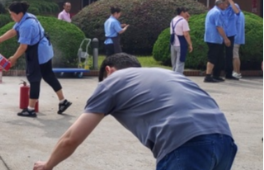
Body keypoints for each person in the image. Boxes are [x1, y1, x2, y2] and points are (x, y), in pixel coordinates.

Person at [33, 53, 237, 170]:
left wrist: (48, 165)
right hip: (224, 141)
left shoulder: (111, 81)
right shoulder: (166, 74)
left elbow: (71, 138)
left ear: (108, 70)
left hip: (185, 145)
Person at [0, 1, 72, 117]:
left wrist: (13, 58)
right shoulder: (27, 17)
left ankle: (31, 109)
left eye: (12, 14)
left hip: (38, 52)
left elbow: (23, 46)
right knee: (48, 75)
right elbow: (13, 31)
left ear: (19, 13)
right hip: (45, 49)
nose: (11, 16)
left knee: (34, 78)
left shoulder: (27, 25)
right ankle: (63, 101)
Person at [204, 0, 231, 83]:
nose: (226, 6)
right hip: (213, 39)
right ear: (220, 4)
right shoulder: (217, 12)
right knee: (213, 57)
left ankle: (216, 75)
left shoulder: (213, 11)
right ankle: (208, 76)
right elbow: (219, 27)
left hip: (215, 39)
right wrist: (226, 38)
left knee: (219, 58)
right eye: (225, 4)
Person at [220, 0, 242, 80]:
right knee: (220, 53)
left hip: (230, 34)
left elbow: (237, 12)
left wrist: (230, 1)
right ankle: (218, 72)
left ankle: (228, 73)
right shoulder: (220, 7)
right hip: (221, 33)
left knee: (230, 54)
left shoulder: (233, 6)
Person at [169, 7, 193, 74]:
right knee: (180, 62)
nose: (187, 14)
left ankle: (173, 76)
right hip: (180, 43)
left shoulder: (173, 20)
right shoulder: (183, 21)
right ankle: (178, 77)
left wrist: (186, 20)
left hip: (173, 42)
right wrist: (190, 44)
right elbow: (186, 34)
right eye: (186, 12)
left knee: (174, 62)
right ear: (182, 12)